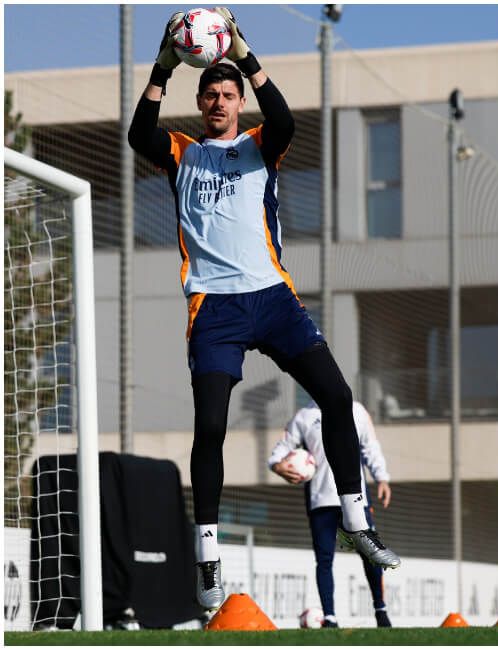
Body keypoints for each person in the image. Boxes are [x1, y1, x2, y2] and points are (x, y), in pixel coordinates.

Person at [127, 8, 400, 612]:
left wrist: (246, 55)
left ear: (237, 101)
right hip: (214, 309)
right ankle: (207, 557)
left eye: (228, 94)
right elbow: (137, 134)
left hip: (273, 300)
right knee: (212, 429)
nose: (221, 101)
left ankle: (357, 521)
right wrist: (163, 65)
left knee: (336, 396)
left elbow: (283, 116)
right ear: (200, 102)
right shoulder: (180, 153)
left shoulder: (259, 145)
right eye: (212, 94)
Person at [270, 401, 395, 628]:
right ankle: (330, 617)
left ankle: (381, 610)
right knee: (324, 560)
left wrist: (382, 477)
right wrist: (277, 465)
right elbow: (282, 447)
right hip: (321, 501)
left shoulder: (356, 410)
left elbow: (370, 447)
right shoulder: (304, 416)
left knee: (371, 554)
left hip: (355, 497)